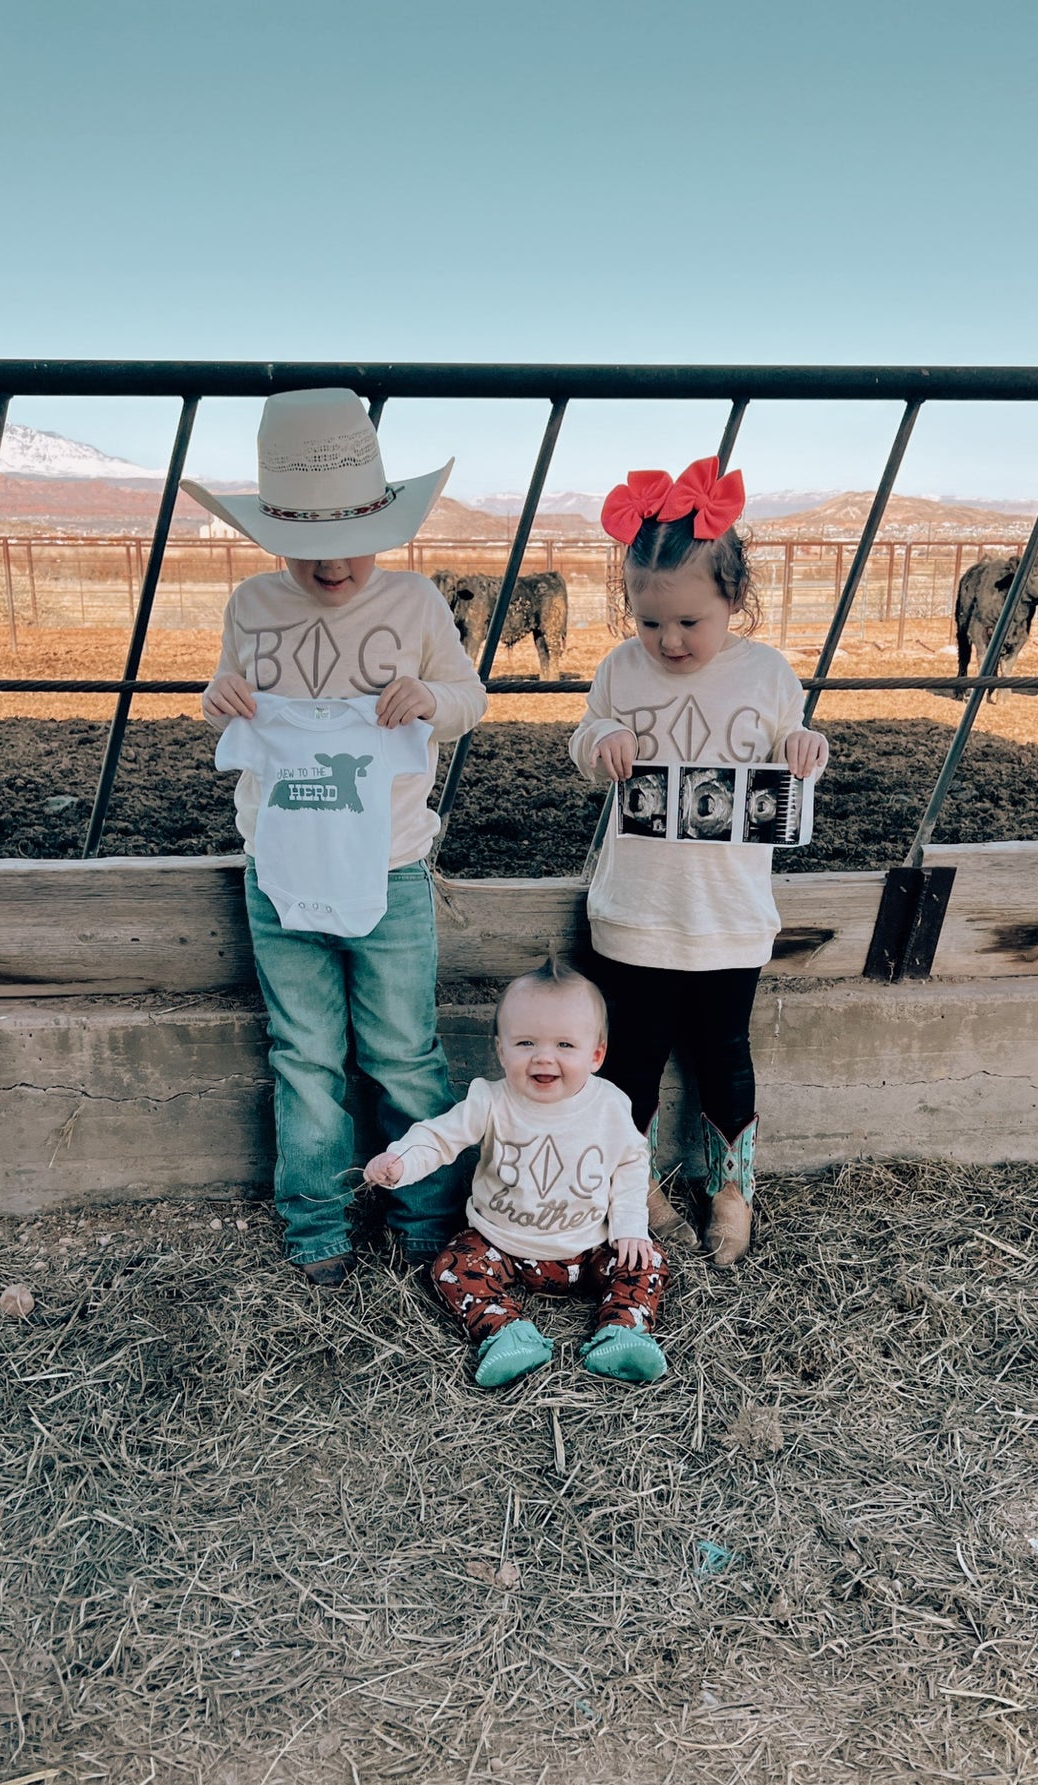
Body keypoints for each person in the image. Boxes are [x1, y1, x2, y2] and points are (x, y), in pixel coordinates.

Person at [187, 389, 487, 1285]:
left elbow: (469, 700)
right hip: (279, 867)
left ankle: (426, 1213)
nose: (331, 567)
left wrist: (430, 701)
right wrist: (220, 702)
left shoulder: (417, 604)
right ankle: (316, 1218)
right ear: (274, 532)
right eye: (307, 547)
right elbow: (220, 699)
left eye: (349, 542)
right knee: (304, 1049)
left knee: (401, 1047)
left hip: (391, 864)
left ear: (383, 522)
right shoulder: (251, 606)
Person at [569, 458, 830, 1266]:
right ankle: (634, 1186)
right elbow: (583, 739)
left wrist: (799, 745)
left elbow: (792, 746)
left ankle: (730, 1189)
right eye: (650, 624)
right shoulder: (620, 670)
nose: (669, 641)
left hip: (728, 916)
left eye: (689, 622)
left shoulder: (765, 674)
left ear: (733, 601)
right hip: (635, 911)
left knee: (724, 1059)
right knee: (634, 1062)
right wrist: (599, 741)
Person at [363, 960, 668, 1388]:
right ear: (501, 1051)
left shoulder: (610, 1106)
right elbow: (438, 1137)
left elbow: (631, 1163)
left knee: (646, 1260)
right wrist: (400, 1162)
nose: (544, 1056)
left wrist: (631, 1225)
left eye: (565, 1045)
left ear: (596, 1054)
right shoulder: (490, 1101)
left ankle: (622, 1331)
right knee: (450, 1265)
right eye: (525, 1042)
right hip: (501, 1247)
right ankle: (507, 1333)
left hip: (589, 1248)